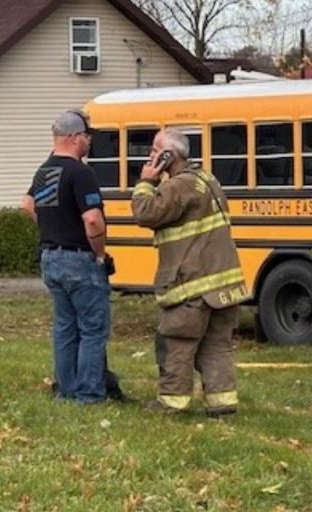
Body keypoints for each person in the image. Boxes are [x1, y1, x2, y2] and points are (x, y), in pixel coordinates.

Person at [131, 129, 248, 417]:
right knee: (217, 345)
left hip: (192, 286)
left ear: (169, 155)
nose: (151, 155)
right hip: (223, 286)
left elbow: (145, 213)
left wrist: (147, 181)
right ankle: (222, 404)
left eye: (156, 150)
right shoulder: (208, 180)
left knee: (177, 343)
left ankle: (172, 402)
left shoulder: (178, 187)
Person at [21, 109, 112, 404]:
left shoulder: (44, 170)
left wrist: (51, 227)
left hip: (51, 257)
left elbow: (27, 203)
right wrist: (99, 254)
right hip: (79, 259)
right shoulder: (81, 173)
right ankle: (89, 394)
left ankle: (66, 389)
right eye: (86, 136)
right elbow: (93, 221)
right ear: (74, 138)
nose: (89, 142)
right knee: (92, 328)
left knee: (64, 327)